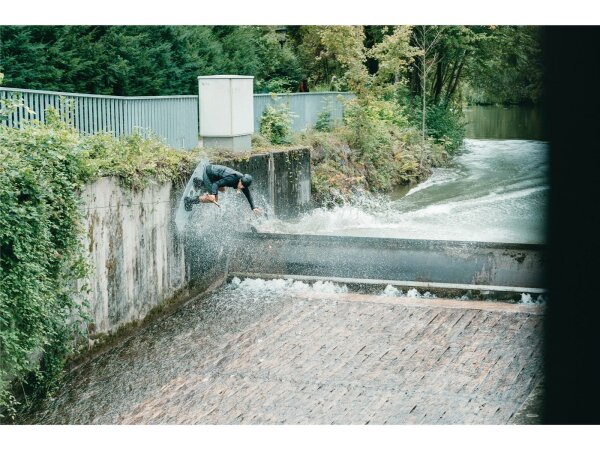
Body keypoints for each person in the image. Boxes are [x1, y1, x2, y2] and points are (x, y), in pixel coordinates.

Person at [184, 163, 261, 215]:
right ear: (240, 179)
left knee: (223, 189)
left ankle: (199, 183)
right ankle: (189, 201)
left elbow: (248, 194)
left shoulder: (243, 182)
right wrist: (213, 195)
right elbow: (215, 184)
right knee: (215, 199)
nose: (241, 187)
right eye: (241, 184)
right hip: (208, 174)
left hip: (212, 172)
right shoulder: (233, 178)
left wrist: (253, 207)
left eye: (243, 187)